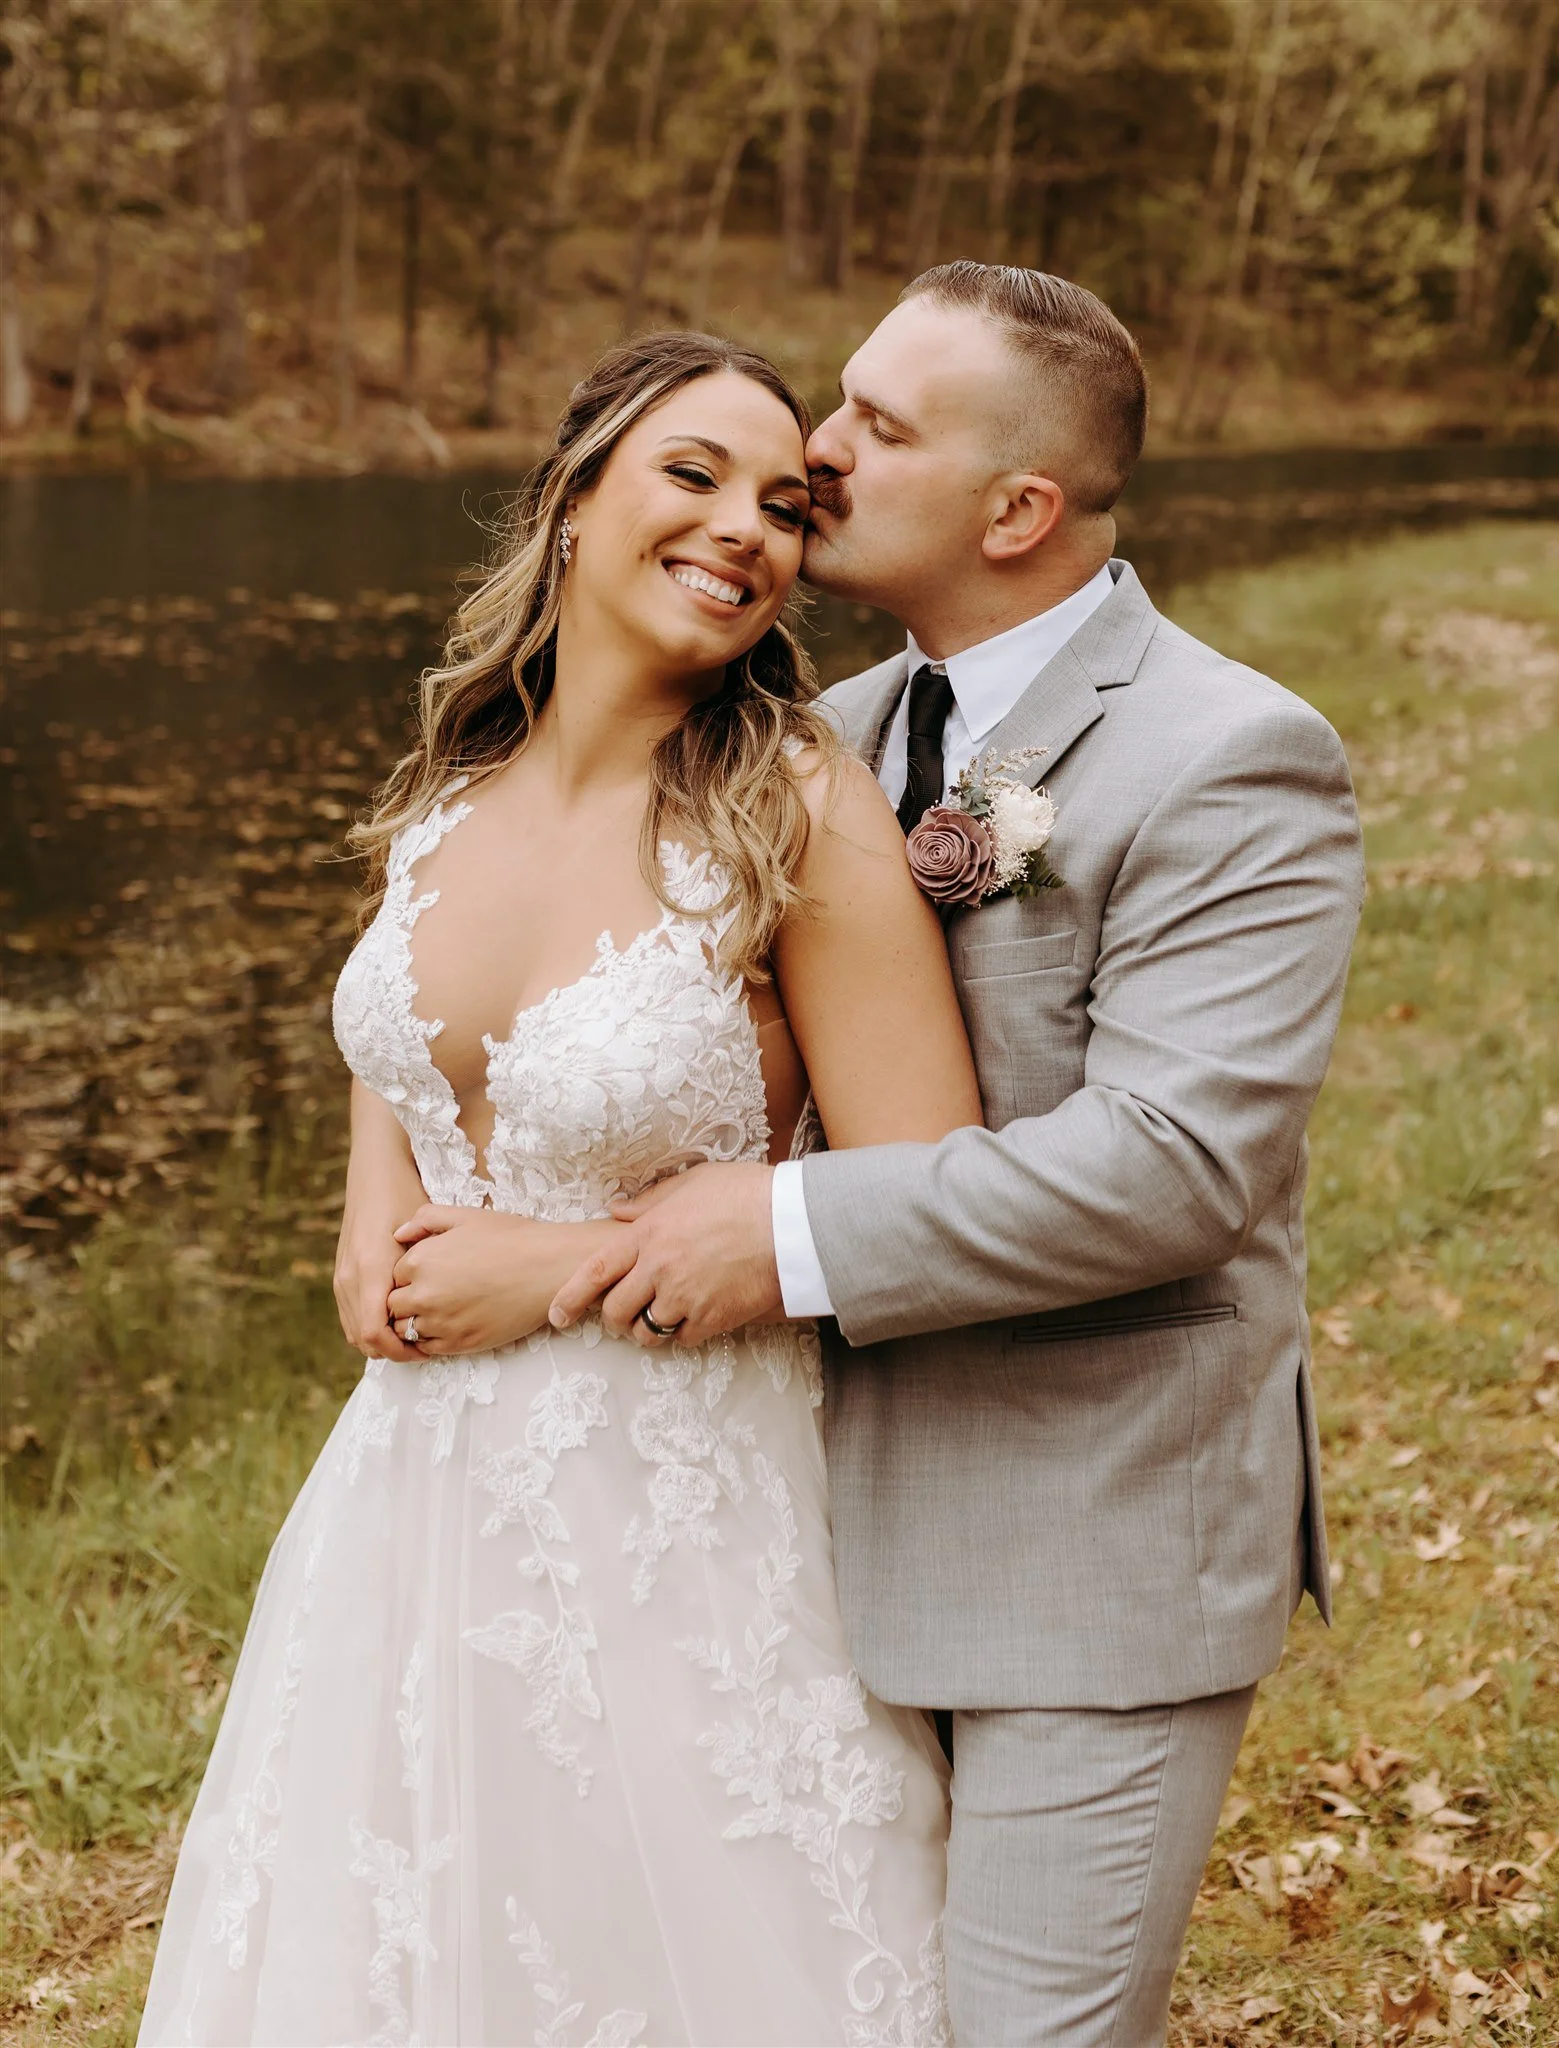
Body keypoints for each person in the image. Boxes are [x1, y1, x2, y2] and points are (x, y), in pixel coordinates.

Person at [546, 264, 1367, 2046]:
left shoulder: (1228, 756)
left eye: (875, 427)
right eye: (836, 403)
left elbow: (1169, 1168)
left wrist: (778, 1229)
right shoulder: (822, 742)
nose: (816, 456)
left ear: (1019, 507)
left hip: (1090, 1537)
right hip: (797, 1538)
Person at [137, 332, 980, 2047]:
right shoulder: (446, 793)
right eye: (692, 476)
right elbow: (409, 1047)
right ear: (574, 499)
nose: (745, 527)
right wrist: (364, 1211)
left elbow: (919, 1197)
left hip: (684, 1510)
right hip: (410, 1493)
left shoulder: (791, 808)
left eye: (783, 504)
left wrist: (562, 1268)